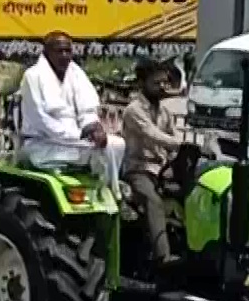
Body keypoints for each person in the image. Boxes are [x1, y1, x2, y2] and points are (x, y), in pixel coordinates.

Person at [17, 31, 123, 184]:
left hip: (78, 142)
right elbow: (40, 120)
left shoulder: (75, 72)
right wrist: (79, 135)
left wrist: (94, 128)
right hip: (44, 143)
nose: (65, 55)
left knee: (116, 144)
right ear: (47, 53)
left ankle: (109, 192)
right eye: (59, 51)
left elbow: (87, 108)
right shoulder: (33, 76)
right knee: (100, 149)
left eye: (68, 51)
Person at [121, 59, 189, 266]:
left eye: (165, 82)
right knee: (153, 200)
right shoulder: (133, 110)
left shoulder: (164, 112)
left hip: (161, 169)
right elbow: (153, 135)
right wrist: (183, 145)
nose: (162, 87)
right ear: (142, 83)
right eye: (156, 83)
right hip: (138, 170)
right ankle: (163, 258)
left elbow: (172, 137)